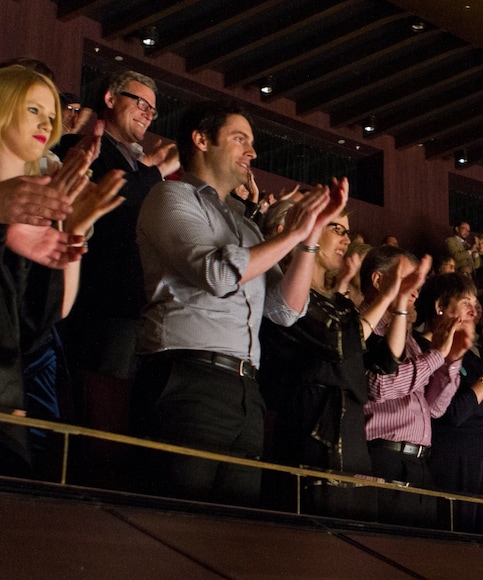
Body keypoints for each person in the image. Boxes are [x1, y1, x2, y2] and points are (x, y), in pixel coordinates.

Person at [134, 100, 344, 504]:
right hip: (187, 379)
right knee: (176, 519)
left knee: (234, 528)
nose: (252, 152)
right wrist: (291, 234)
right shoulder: (171, 196)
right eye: (239, 139)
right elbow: (216, 274)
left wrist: (310, 237)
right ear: (201, 140)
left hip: (246, 390)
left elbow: (285, 310)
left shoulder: (246, 227)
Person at [258, 211, 429, 519]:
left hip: (349, 439)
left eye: (347, 232)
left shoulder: (341, 305)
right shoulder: (290, 297)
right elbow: (340, 342)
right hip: (310, 435)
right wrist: (388, 295)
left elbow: (386, 362)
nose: (346, 239)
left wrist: (400, 304)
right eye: (337, 229)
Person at [0, 65, 121, 475]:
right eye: (33, 109)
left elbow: (51, 313)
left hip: (12, 390)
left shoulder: (35, 212)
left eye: (51, 115)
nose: (46, 123)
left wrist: (74, 229)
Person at [58, 70, 180, 381]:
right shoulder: (80, 147)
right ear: (110, 99)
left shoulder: (137, 165)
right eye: (141, 103)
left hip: (134, 306)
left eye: (153, 110)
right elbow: (111, 196)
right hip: (96, 300)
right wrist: (158, 170)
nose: (148, 114)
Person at [364, 262, 474, 528]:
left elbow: (434, 408)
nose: (415, 291)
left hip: (419, 464)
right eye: (408, 280)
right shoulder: (368, 329)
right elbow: (380, 386)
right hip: (385, 458)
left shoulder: (410, 340)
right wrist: (436, 356)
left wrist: (451, 361)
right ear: (378, 280)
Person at [429, 274, 483, 534]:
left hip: (478, 461)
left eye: (475, 304)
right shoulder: (429, 350)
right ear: (440, 306)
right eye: (465, 302)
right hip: (450, 460)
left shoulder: (471, 358)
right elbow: (453, 413)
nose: (473, 311)